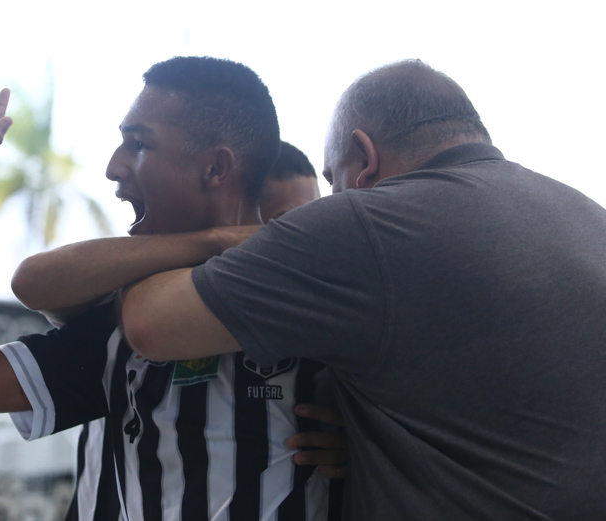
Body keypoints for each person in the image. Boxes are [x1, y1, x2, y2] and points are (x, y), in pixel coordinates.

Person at [118, 59, 606, 520]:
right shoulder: (588, 219)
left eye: (334, 179)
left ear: (365, 158)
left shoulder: (367, 222)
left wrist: (215, 241)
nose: (333, 197)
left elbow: (150, 322)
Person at [0, 57, 343, 520]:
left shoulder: (328, 304)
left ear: (216, 168)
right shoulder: (128, 313)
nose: (114, 167)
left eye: (138, 144)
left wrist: (369, 440)